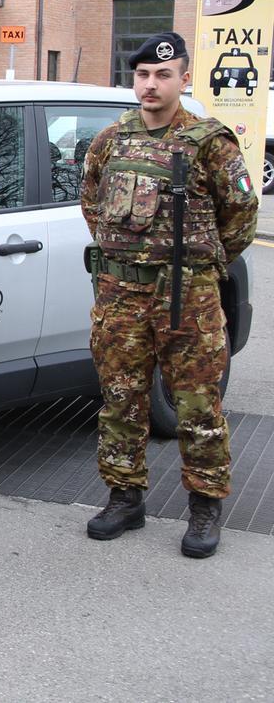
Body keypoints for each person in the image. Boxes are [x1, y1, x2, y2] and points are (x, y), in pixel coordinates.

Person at [80, 31, 258, 557]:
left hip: (188, 295)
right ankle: (124, 496)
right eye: (142, 75)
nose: (151, 84)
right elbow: (91, 201)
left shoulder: (209, 142)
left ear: (184, 79)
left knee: (198, 401)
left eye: (163, 74)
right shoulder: (110, 140)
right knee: (120, 398)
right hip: (119, 295)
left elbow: (241, 218)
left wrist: (198, 264)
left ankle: (204, 505)